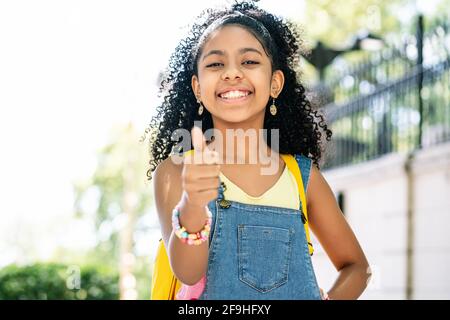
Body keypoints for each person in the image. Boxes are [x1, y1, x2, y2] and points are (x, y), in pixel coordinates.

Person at [146, 0, 371, 300]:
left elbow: (357, 267)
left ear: (275, 83)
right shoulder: (175, 173)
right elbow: (188, 273)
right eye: (215, 63)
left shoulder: (302, 178)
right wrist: (193, 205)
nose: (232, 73)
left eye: (249, 61)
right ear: (198, 88)